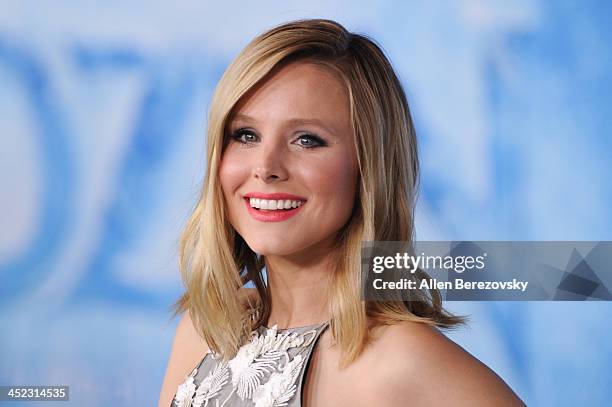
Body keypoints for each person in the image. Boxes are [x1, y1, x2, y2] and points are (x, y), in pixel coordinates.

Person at [159, 19, 524, 407]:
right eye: (245, 135)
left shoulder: (403, 361)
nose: (265, 167)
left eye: (307, 140)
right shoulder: (205, 331)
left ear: (368, 168)